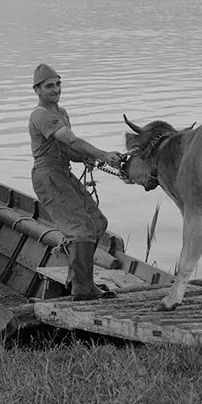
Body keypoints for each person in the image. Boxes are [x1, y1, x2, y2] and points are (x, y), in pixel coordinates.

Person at [29, 63, 123, 301]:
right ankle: (83, 288)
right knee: (82, 229)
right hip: (48, 176)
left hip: (62, 173)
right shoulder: (41, 115)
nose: (56, 89)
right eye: (49, 86)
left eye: (58, 84)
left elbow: (67, 149)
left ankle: (76, 280)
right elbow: (71, 140)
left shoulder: (61, 113)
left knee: (97, 223)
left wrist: (84, 158)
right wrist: (103, 155)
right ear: (37, 90)